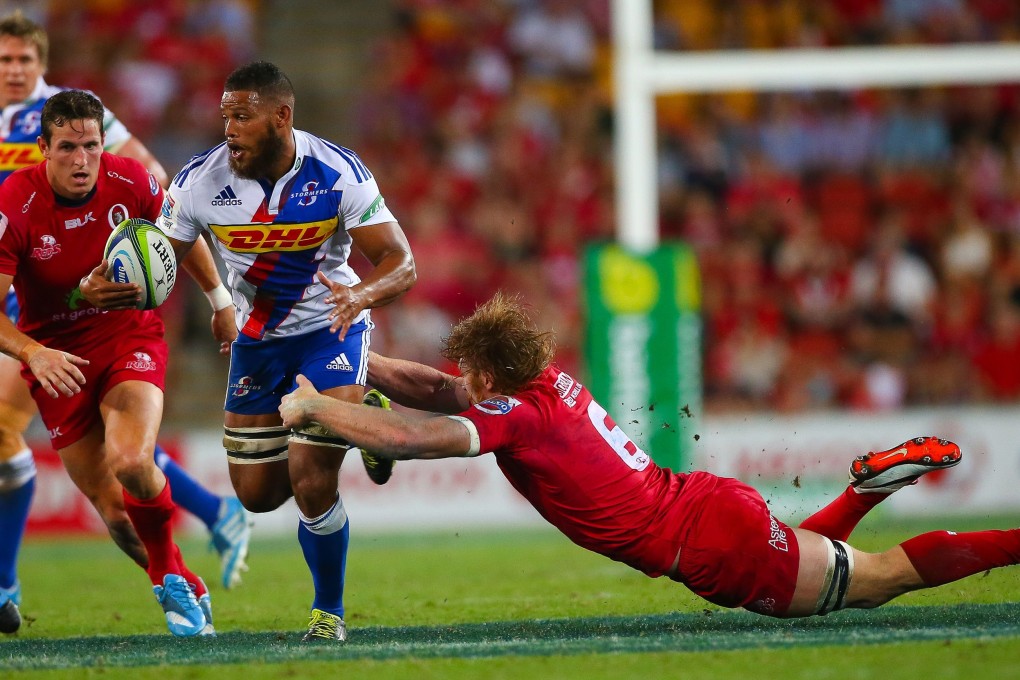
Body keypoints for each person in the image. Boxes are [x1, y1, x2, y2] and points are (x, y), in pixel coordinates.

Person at [279, 291, 1020, 620]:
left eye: (472, 373)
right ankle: (866, 489)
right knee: (820, 558)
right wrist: (361, 363)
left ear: (493, 377)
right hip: (707, 506)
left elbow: (412, 436)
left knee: (876, 582)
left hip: (710, 545)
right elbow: (440, 392)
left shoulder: (520, 417)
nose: (463, 383)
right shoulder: (546, 385)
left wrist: (316, 406)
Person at [0, 11, 251, 636]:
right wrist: (33, 353)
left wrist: (220, 298)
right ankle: (182, 578)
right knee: (115, 514)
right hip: (55, 355)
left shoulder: (132, 180)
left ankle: (172, 586)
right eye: (69, 148)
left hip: (127, 338)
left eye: (91, 145)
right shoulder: (15, 204)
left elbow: (180, 234)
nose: (83, 160)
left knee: (134, 460)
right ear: (45, 150)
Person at [158, 61, 416, 642]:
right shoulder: (198, 182)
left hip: (331, 328)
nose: (229, 129)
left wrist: (362, 293)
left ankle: (329, 612)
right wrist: (125, 287)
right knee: (257, 495)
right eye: (225, 116)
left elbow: (402, 262)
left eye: (242, 117)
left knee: (310, 477)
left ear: (282, 116)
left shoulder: (339, 172)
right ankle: (364, 414)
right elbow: (165, 260)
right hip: (257, 342)